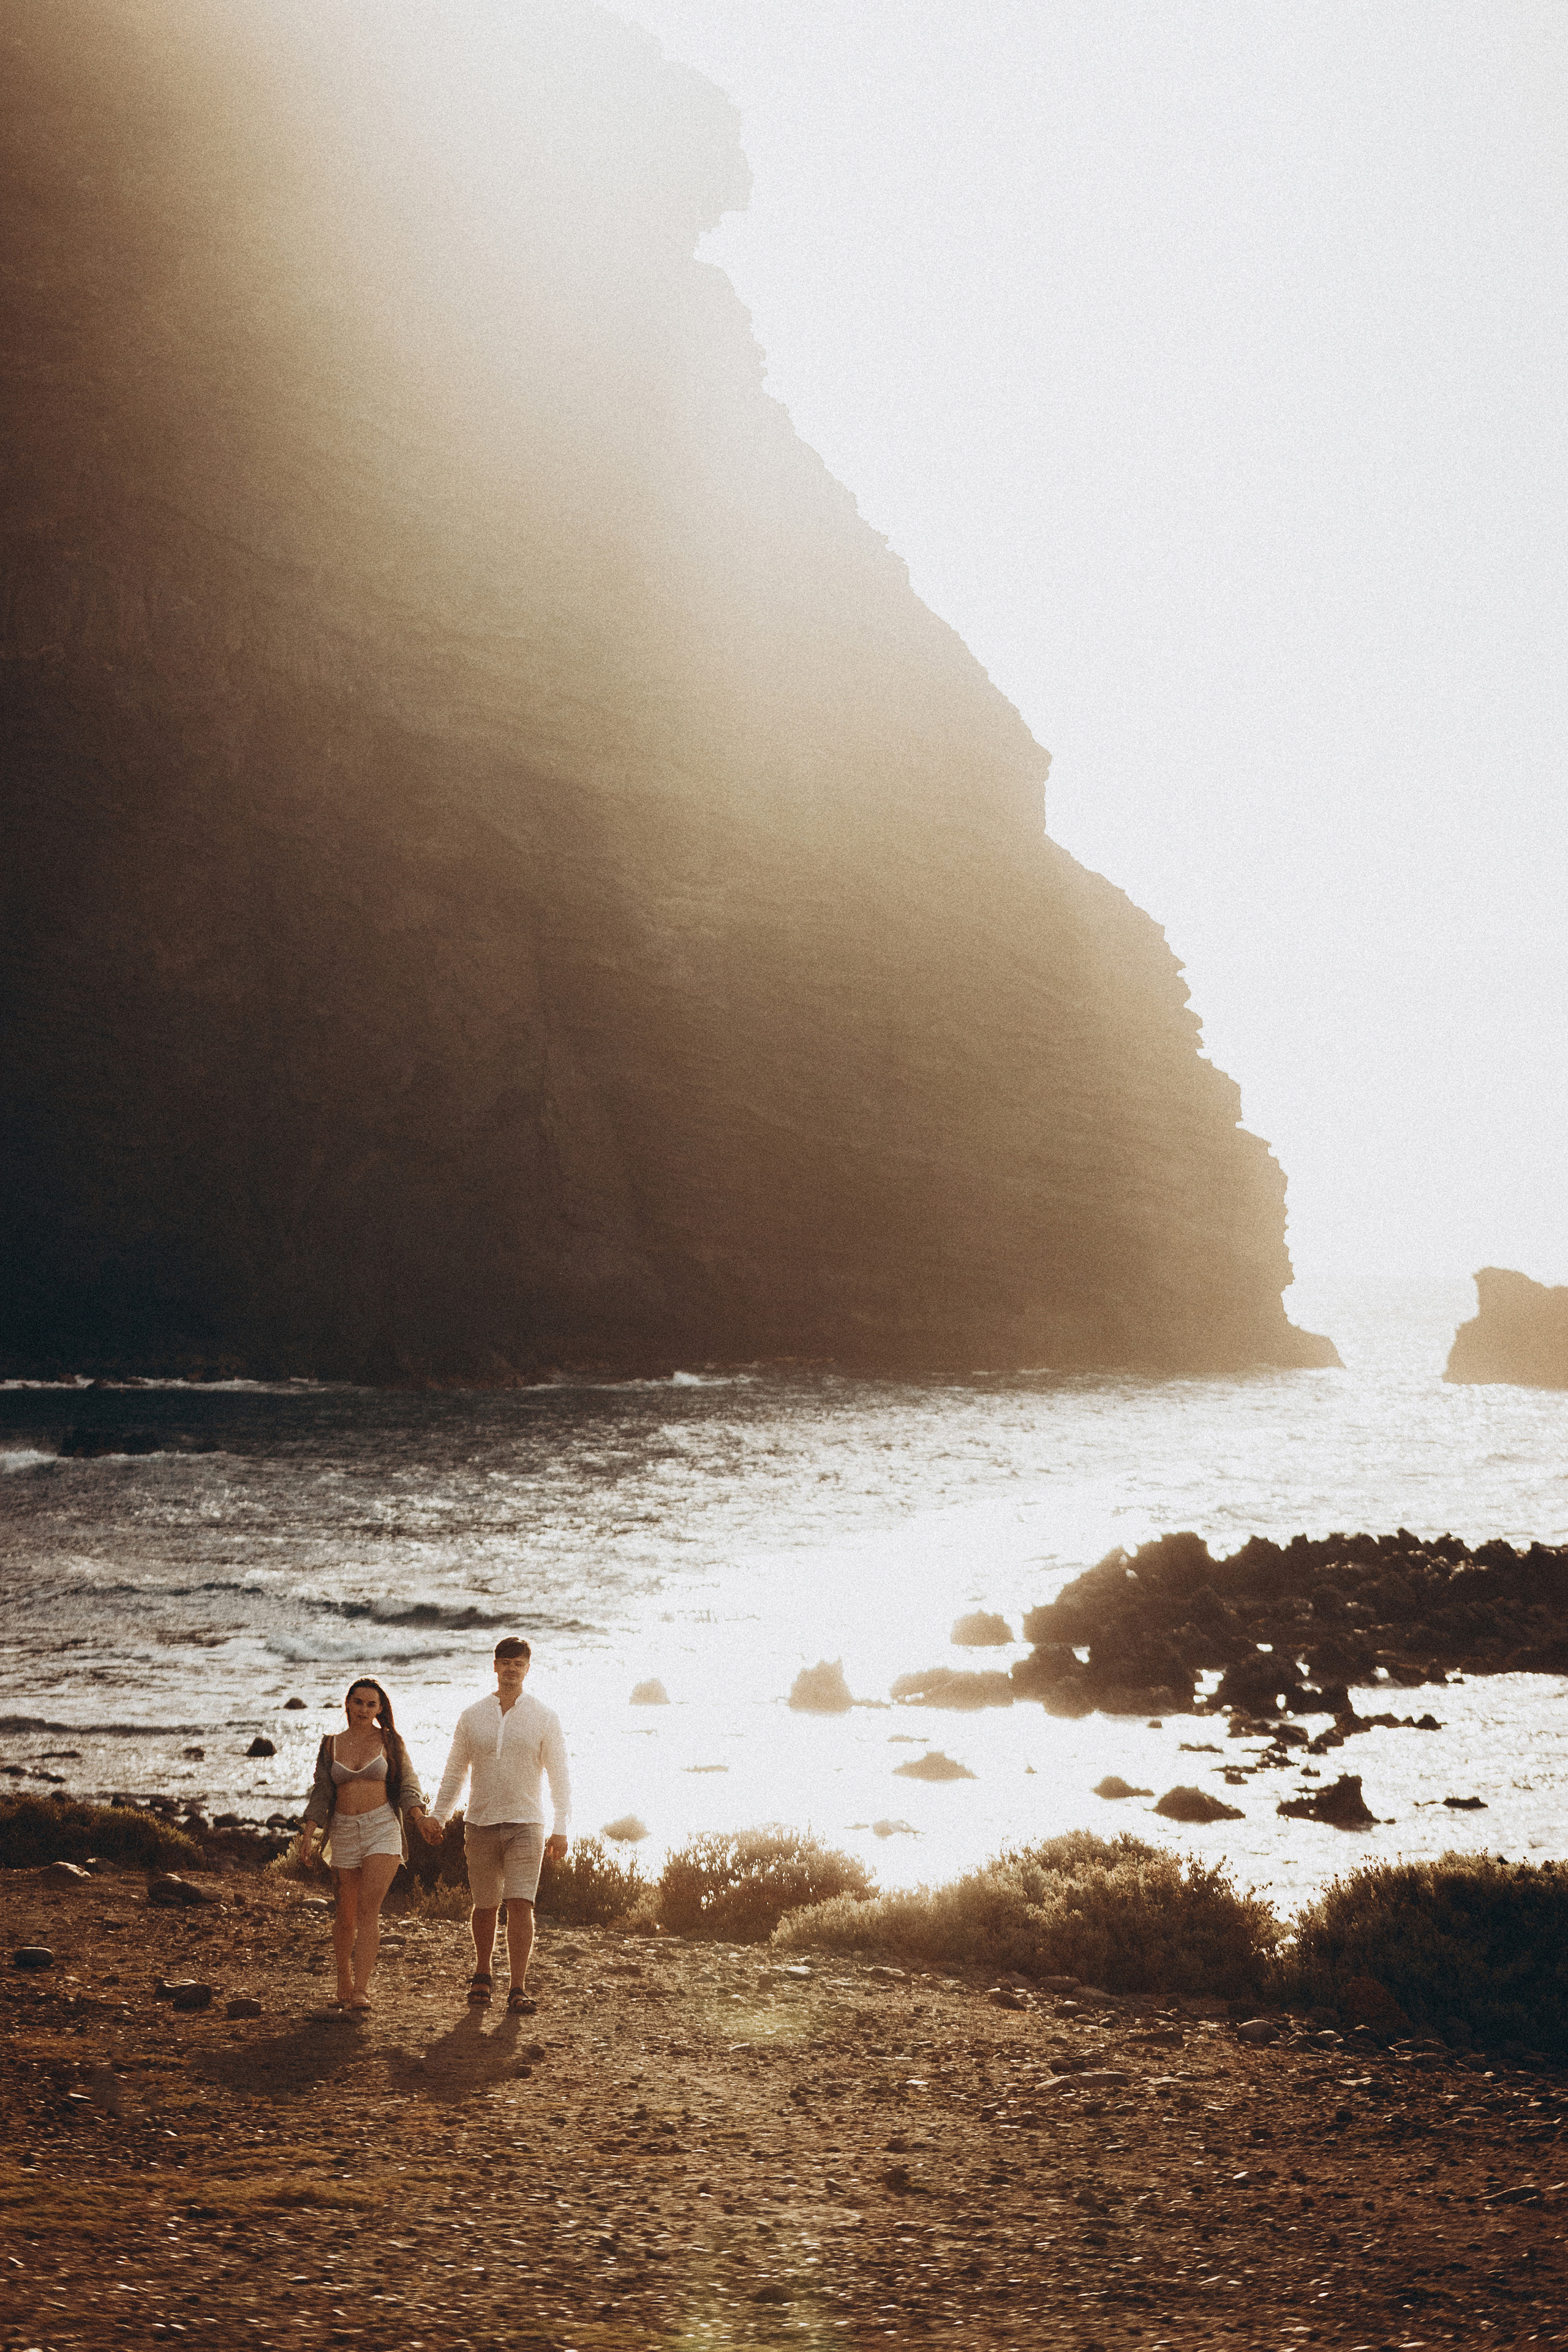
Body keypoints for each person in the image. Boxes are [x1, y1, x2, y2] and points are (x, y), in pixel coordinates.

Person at [431, 1637, 571, 2014]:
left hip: (527, 1822)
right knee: (485, 1904)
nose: (511, 1669)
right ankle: (482, 1974)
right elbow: (455, 1772)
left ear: (528, 1669)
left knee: (521, 1903)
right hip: (480, 1822)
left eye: (518, 1663)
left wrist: (561, 1826)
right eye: (505, 1662)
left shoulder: (544, 1716)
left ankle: (518, 1988)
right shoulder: (472, 1715)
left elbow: (559, 1775)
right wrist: (438, 1816)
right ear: (495, 1666)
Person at [300, 1676, 441, 2010]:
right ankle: (344, 1979)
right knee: (345, 1914)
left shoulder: (390, 1741)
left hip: (382, 1828)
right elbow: (322, 1792)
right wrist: (309, 1833)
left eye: (371, 1704)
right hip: (343, 1830)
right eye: (358, 1702)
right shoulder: (330, 1745)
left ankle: (361, 1989)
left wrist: (420, 1819)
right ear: (348, 1704)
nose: (364, 1709)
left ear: (380, 1709)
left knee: (368, 1910)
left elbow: (408, 1784)